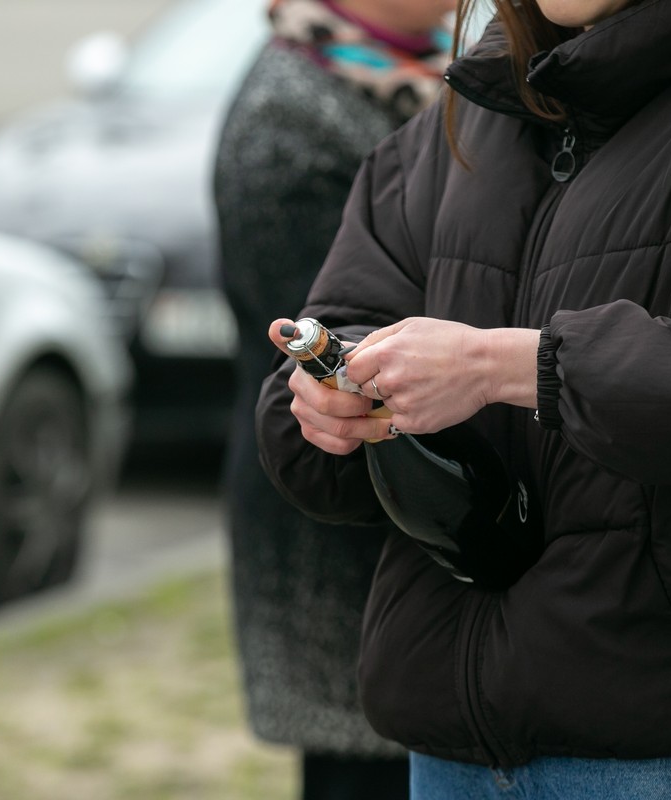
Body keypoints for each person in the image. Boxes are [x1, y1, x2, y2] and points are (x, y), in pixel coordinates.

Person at [256, 0, 671, 797]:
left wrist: (508, 366)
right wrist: (325, 405)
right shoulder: (465, 110)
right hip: (449, 752)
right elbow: (328, 364)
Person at [212, 0, 453, 796]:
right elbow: (331, 351)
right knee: (362, 766)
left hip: (413, 540)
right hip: (340, 538)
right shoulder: (288, 119)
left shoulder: (440, 78)